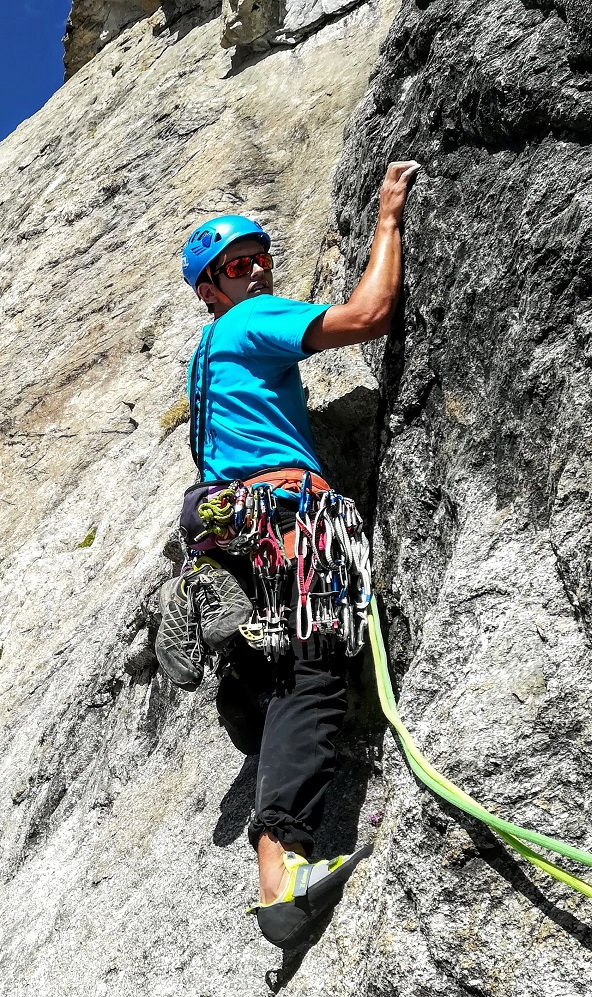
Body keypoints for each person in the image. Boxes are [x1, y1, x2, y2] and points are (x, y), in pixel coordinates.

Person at [158, 160, 419, 949]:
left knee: (277, 677)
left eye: (261, 255)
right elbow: (369, 314)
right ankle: (282, 877)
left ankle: (242, 678)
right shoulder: (249, 321)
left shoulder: (208, 358)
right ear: (210, 288)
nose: (257, 269)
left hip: (231, 522)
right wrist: (387, 218)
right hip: (289, 517)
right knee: (313, 670)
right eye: (236, 266)